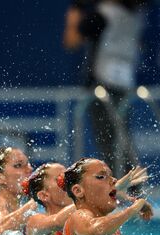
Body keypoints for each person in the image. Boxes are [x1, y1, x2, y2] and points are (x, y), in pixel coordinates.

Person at [63, 0, 148, 175]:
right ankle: (133, 185)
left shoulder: (101, 15)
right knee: (121, 138)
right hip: (125, 81)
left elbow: (71, 41)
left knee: (109, 142)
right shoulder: (134, 12)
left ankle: (124, 187)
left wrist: (73, 17)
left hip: (103, 82)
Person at [24, 163, 148, 235]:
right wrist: (111, 189)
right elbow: (57, 221)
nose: (68, 182)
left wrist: (106, 193)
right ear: (44, 195)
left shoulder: (94, 217)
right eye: (60, 179)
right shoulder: (34, 221)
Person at [60, 158, 153, 235]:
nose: (113, 180)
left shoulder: (112, 229)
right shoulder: (78, 217)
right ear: (78, 191)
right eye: (101, 177)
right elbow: (95, 230)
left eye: (111, 175)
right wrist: (132, 210)